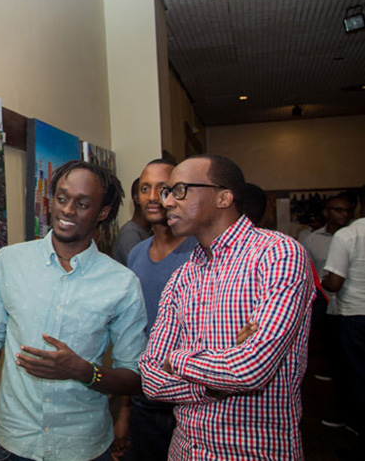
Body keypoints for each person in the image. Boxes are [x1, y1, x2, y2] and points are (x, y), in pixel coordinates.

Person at [0, 160, 147, 461]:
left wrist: (82, 371)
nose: (67, 211)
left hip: (83, 446)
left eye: (82, 204)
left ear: (103, 212)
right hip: (12, 443)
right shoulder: (9, 262)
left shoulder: (122, 284)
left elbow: (134, 378)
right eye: (61, 198)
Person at [139, 155, 314, 460]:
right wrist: (208, 389)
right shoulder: (182, 276)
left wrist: (177, 359)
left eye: (178, 190)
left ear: (223, 197)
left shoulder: (278, 255)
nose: (166, 202)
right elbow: (151, 380)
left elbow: (250, 370)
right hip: (185, 451)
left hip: (254, 452)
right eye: (167, 193)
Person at [112, 159, 198, 461]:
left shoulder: (199, 253)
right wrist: (124, 410)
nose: (152, 197)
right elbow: (132, 338)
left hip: (191, 402)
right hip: (144, 401)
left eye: (162, 189)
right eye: (145, 188)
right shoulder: (136, 253)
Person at [323, 213, 365, 457]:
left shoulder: (349, 235)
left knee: (358, 377)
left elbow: (335, 283)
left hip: (356, 316)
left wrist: (323, 280)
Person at [302, 195, 355, 383]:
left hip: (349, 303)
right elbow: (305, 271)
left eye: (348, 210)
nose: (344, 215)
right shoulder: (311, 239)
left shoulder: (355, 236)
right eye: (338, 210)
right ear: (326, 213)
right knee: (329, 344)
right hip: (322, 301)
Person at [113, 177, 151, 264]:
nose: (153, 197)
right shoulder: (130, 234)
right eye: (145, 190)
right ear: (137, 198)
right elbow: (141, 271)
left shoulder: (148, 231)